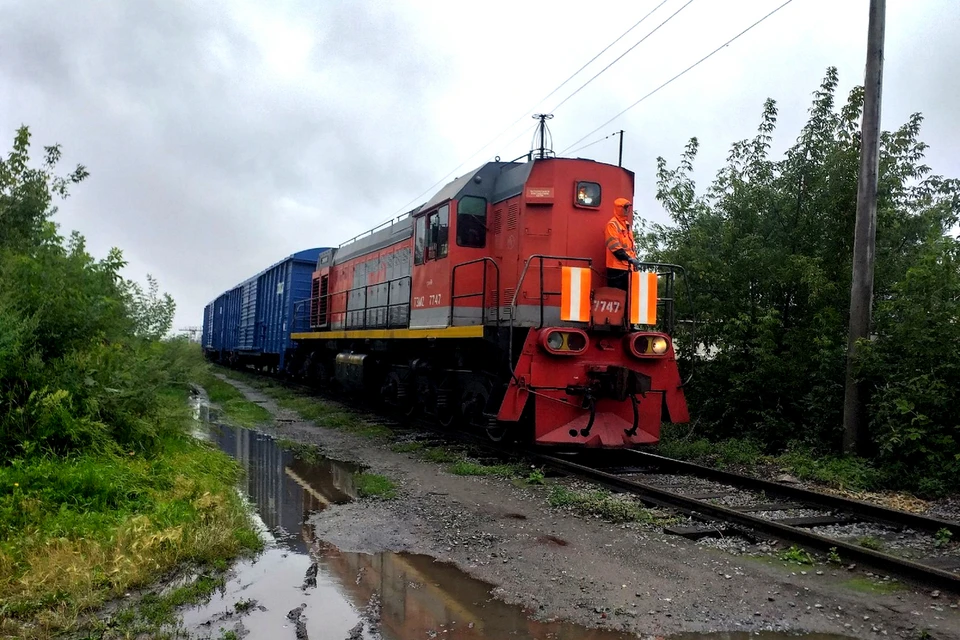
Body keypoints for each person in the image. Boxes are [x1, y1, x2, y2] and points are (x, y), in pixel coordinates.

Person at [604, 197, 641, 290]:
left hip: (628, 268)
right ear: (619, 208)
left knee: (628, 298)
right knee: (617, 297)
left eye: (628, 207)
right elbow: (615, 248)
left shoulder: (627, 225)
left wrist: (633, 261)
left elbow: (631, 247)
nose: (627, 210)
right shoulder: (612, 225)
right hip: (616, 269)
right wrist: (629, 259)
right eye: (625, 207)